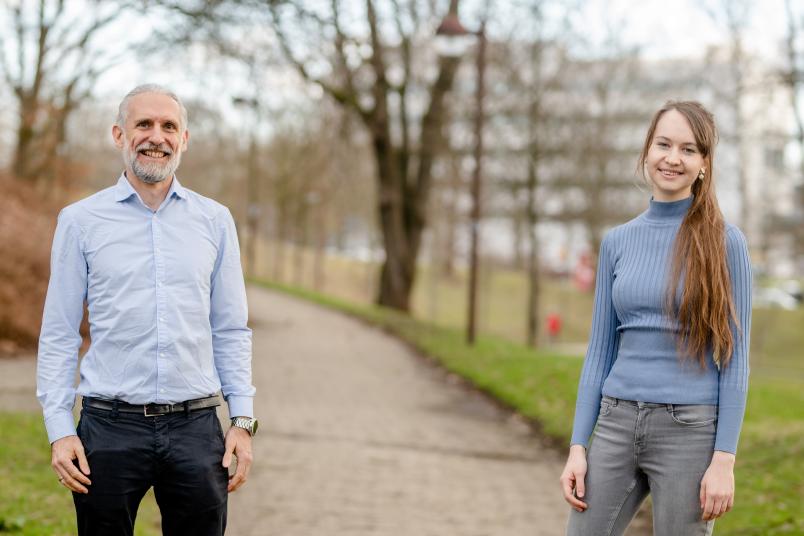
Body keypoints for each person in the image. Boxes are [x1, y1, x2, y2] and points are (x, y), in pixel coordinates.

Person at [36, 84, 258, 536]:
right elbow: (59, 333)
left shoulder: (215, 221)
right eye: (144, 124)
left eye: (168, 126)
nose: (156, 136)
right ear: (119, 135)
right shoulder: (80, 221)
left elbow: (231, 328)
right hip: (109, 428)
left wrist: (242, 421)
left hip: (197, 429)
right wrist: (60, 430)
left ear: (184, 139)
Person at [559, 101, 751, 535]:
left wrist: (724, 460)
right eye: (663, 144)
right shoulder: (617, 241)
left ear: (704, 164)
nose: (672, 158)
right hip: (615, 422)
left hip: (689, 430)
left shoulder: (726, 243)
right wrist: (577, 446)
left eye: (688, 149)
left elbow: (736, 360)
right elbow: (600, 352)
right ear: (647, 150)